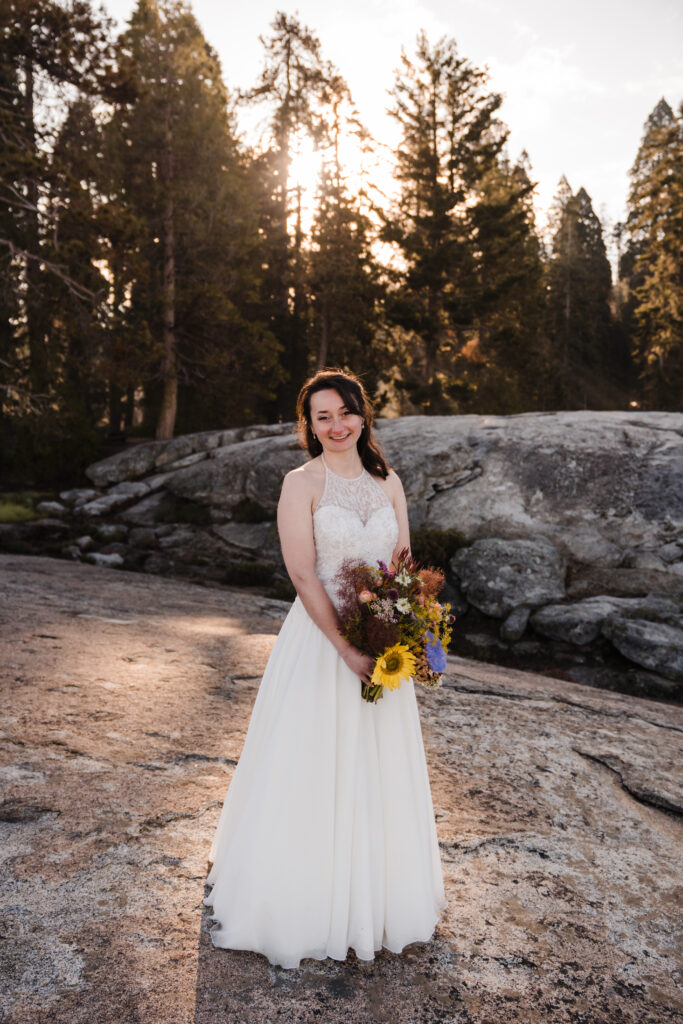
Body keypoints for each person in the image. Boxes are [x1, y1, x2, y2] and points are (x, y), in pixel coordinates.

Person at [203, 368, 446, 969]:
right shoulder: (301, 483)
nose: (336, 426)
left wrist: (408, 630)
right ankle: (305, 899)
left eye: (345, 413)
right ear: (308, 425)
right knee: (311, 763)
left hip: (382, 639)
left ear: (363, 415)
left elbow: (402, 564)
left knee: (377, 767)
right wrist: (346, 647)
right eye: (322, 417)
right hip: (322, 642)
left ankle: (378, 898)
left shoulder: (388, 480)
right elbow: (304, 573)